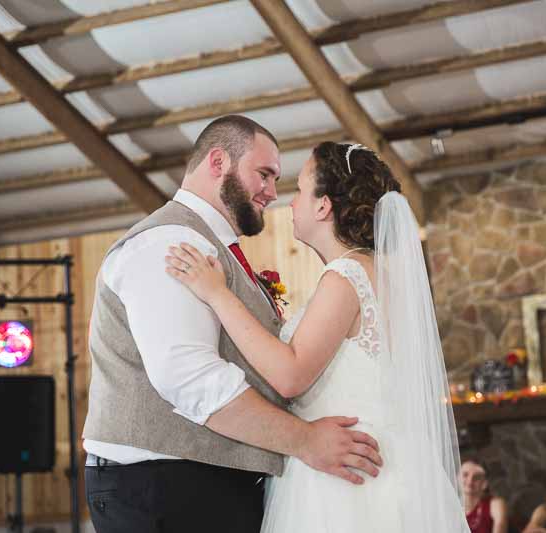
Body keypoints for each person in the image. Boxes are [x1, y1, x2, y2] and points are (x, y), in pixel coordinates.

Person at [82, 117, 383, 533]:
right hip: (164, 485)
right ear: (218, 162)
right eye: (265, 174)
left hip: (200, 484)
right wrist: (304, 439)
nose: (273, 193)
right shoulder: (169, 243)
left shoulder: (212, 248)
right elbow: (189, 377)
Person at [166, 141, 470, 532]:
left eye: (300, 190)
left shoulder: (346, 276)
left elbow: (291, 375)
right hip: (386, 463)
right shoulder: (380, 273)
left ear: (324, 205)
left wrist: (216, 293)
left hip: (345, 476)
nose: (290, 202)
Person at [461, 458, 508, 533]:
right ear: (457, 477)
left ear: (485, 483)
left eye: (477, 477)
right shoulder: (448, 506)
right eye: (465, 475)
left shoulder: (495, 504)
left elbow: (500, 526)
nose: (470, 481)